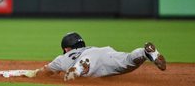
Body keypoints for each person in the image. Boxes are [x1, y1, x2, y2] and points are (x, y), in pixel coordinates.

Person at [35, 32, 166, 81]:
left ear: (66, 48)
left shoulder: (63, 58)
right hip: (104, 51)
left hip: (88, 59)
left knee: (83, 67)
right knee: (128, 60)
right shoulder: (89, 47)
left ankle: (78, 69)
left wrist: (36, 73)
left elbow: (44, 72)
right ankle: (145, 52)